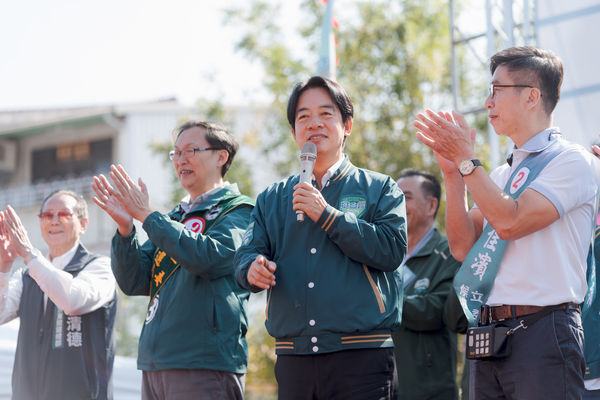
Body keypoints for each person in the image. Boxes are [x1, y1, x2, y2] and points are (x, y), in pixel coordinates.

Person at [414, 45, 597, 398]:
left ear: (531, 97)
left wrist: (467, 160)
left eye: (497, 90)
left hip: (545, 331)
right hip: (490, 336)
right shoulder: (499, 174)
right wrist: (453, 174)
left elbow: (511, 222)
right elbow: (463, 247)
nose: (487, 102)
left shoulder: (571, 161)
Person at [234, 76, 407, 399]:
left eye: (326, 114)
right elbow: (245, 255)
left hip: (362, 355)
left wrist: (327, 215)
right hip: (293, 357)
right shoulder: (272, 198)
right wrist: (251, 269)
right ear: (293, 132)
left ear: (348, 125)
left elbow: (391, 250)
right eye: (303, 117)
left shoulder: (380, 188)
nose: (314, 123)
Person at [91, 121, 254, 400]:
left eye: (190, 150)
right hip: (156, 360)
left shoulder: (239, 210)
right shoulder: (174, 218)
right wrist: (126, 229)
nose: (180, 160)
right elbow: (134, 281)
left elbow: (210, 258)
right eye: (176, 153)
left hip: (204, 361)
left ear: (221, 156)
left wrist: (148, 216)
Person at [0, 190, 117, 400]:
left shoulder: (100, 267)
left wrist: (29, 254)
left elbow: (72, 300)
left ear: (83, 224)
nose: (54, 221)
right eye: (47, 215)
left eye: (64, 214)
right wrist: (4, 267)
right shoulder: (27, 275)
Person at [391, 169, 461, 400]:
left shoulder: (450, 253)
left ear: (432, 206)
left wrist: (383, 300)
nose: (397, 204)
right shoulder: (384, 257)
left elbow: (440, 310)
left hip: (430, 390)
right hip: (383, 387)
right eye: (394, 197)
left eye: (406, 197)